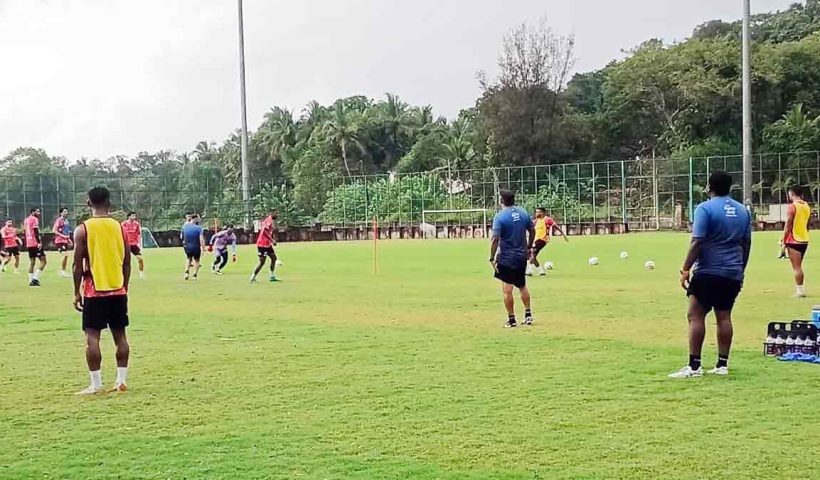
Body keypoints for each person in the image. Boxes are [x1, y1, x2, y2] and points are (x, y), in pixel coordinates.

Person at [671, 171, 751, 379]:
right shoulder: (743, 211)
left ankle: (694, 366)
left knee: (695, 315)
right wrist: (740, 270)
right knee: (724, 316)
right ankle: (722, 365)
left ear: (709, 187)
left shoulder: (704, 208)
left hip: (708, 271)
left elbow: (697, 241)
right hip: (732, 272)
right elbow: (746, 243)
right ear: (730, 187)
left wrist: (686, 268)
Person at [72, 186, 131, 395]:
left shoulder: (83, 229)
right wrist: (125, 286)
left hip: (93, 291)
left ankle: (96, 384)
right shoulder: (120, 228)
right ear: (109, 203)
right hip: (117, 289)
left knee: (92, 337)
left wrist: (76, 292)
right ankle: (121, 380)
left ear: (88, 203)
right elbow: (127, 262)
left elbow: (77, 265)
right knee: (120, 336)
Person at [490, 190, 535, 328]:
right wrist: (529, 247)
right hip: (521, 256)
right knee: (522, 285)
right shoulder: (523, 212)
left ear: (501, 201)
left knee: (507, 289)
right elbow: (532, 230)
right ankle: (528, 315)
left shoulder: (500, 217)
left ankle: (511, 319)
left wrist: (492, 257)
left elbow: (495, 239)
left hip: (506, 258)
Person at [782, 186, 810, 298]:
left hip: (793, 240)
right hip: (804, 239)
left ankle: (800, 291)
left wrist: (783, 240)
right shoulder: (806, 206)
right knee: (799, 266)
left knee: (796, 267)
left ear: (791, 193)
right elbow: (807, 224)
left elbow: (788, 225)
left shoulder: (792, 207)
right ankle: (800, 289)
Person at [527, 208, 568, 276]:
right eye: (536, 212)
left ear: (542, 213)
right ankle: (541, 271)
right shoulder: (536, 220)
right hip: (536, 240)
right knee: (532, 256)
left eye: (538, 212)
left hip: (543, 240)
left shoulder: (547, 219)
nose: (536, 214)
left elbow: (556, 226)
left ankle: (529, 271)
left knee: (533, 254)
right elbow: (530, 227)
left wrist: (563, 235)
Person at [251, 210, 279, 283]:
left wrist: (271, 240)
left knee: (274, 258)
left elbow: (268, 232)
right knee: (262, 262)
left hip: (267, 244)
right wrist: (272, 240)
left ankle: (272, 276)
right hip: (262, 244)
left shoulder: (270, 220)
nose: (277, 215)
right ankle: (253, 277)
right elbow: (264, 232)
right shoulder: (269, 220)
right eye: (276, 213)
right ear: (272, 213)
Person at [24, 207, 47, 287]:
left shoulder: (26, 220)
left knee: (32, 262)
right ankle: (35, 278)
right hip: (35, 243)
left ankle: (30, 281)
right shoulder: (34, 219)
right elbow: (35, 231)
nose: (39, 213)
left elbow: (25, 231)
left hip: (29, 243)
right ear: (32, 212)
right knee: (43, 261)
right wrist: (39, 242)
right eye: (37, 212)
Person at [122, 212, 146, 280]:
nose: (134, 217)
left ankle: (141, 274)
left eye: (134, 216)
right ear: (129, 216)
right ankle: (124, 276)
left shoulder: (137, 224)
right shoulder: (124, 224)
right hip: (126, 244)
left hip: (134, 244)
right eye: (132, 216)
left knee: (140, 259)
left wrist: (139, 244)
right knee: (125, 261)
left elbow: (139, 234)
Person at [181, 214, 205, 280]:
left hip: (187, 246)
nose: (199, 220)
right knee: (197, 260)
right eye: (198, 219)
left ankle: (186, 273)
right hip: (196, 246)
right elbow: (201, 239)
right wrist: (203, 248)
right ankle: (195, 275)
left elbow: (183, 237)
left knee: (188, 259)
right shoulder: (199, 228)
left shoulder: (185, 227)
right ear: (195, 219)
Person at [53, 207, 73, 278]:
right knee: (65, 255)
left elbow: (66, 231)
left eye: (66, 211)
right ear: (61, 213)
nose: (66, 213)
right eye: (64, 211)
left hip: (64, 241)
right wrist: (63, 236)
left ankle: (63, 271)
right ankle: (62, 272)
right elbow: (54, 230)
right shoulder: (59, 220)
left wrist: (69, 239)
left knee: (66, 255)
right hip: (59, 241)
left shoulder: (66, 221)